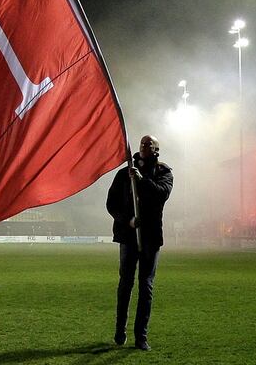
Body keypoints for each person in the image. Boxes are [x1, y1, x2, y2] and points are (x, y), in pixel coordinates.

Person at [106, 135, 174, 351]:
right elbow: (111, 204)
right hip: (128, 236)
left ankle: (141, 336)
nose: (144, 146)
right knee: (125, 283)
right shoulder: (123, 174)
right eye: (142, 143)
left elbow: (161, 194)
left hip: (151, 238)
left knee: (146, 285)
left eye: (149, 144)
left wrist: (142, 180)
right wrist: (128, 220)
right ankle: (120, 330)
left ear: (156, 150)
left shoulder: (164, 173)